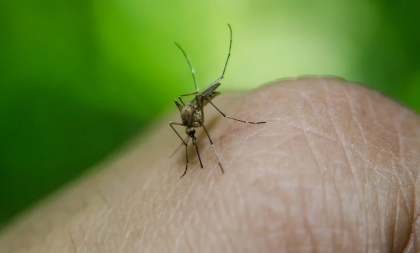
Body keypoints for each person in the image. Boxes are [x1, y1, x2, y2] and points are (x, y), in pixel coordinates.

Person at [0, 77, 418, 252]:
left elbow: (194, 116)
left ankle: (231, 128)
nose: (189, 127)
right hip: (194, 108)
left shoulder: (198, 111)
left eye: (191, 126)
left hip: (208, 101)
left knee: (223, 125)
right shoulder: (185, 122)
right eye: (190, 127)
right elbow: (184, 123)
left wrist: (208, 133)